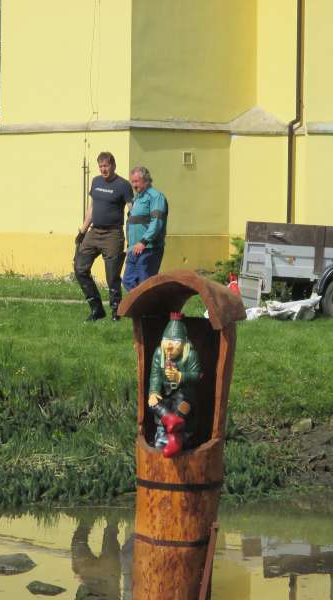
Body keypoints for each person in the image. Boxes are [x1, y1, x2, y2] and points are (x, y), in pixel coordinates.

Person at [74, 151, 133, 322]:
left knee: (112, 276)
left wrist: (133, 235)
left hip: (113, 234)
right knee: (80, 268)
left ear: (113, 165)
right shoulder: (96, 181)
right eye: (100, 166)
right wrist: (82, 231)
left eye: (106, 166)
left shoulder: (123, 185)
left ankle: (116, 312)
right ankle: (97, 308)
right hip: (94, 232)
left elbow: (132, 209)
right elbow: (92, 208)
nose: (103, 169)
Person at [148, 312, 201, 458]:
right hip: (165, 394)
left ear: (184, 343)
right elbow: (155, 375)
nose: (169, 346)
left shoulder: (190, 355)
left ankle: (177, 436)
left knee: (184, 404)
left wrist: (180, 376)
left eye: (175, 342)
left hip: (183, 394)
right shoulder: (159, 353)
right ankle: (170, 427)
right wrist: (153, 391)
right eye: (167, 341)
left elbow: (196, 376)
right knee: (153, 402)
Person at [123, 166, 167, 291]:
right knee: (128, 281)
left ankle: (150, 303)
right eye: (132, 182)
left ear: (146, 180)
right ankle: (143, 303)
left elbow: (157, 222)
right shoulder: (137, 198)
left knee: (145, 285)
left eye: (136, 181)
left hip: (148, 248)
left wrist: (143, 241)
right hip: (134, 249)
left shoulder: (156, 197)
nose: (134, 185)